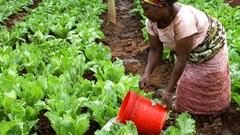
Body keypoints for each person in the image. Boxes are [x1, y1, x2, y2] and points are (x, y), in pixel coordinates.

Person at [138, 0, 232, 134]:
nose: (144, 13)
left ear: (161, 5)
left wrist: (168, 91)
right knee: (186, 89)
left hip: (211, 46)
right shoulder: (151, 22)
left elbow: (182, 59)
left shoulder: (183, 20)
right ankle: (192, 124)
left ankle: (225, 125)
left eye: (146, 9)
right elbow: (155, 50)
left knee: (216, 85)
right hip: (187, 52)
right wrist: (147, 74)